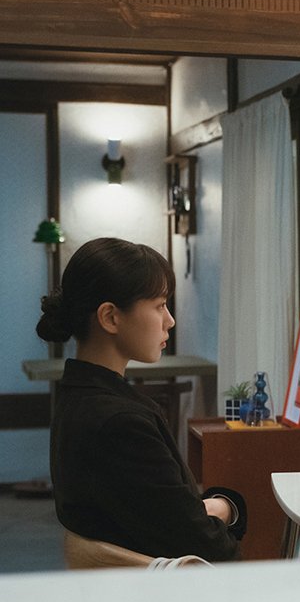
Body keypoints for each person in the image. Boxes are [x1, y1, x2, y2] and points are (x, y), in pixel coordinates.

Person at [36, 237, 246, 562]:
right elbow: (209, 549)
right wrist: (230, 507)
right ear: (110, 317)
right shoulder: (119, 423)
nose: (170, 320)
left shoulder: (79, 397)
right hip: (165, 590)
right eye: (159, 305)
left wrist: (211, 509)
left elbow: (164, 517)